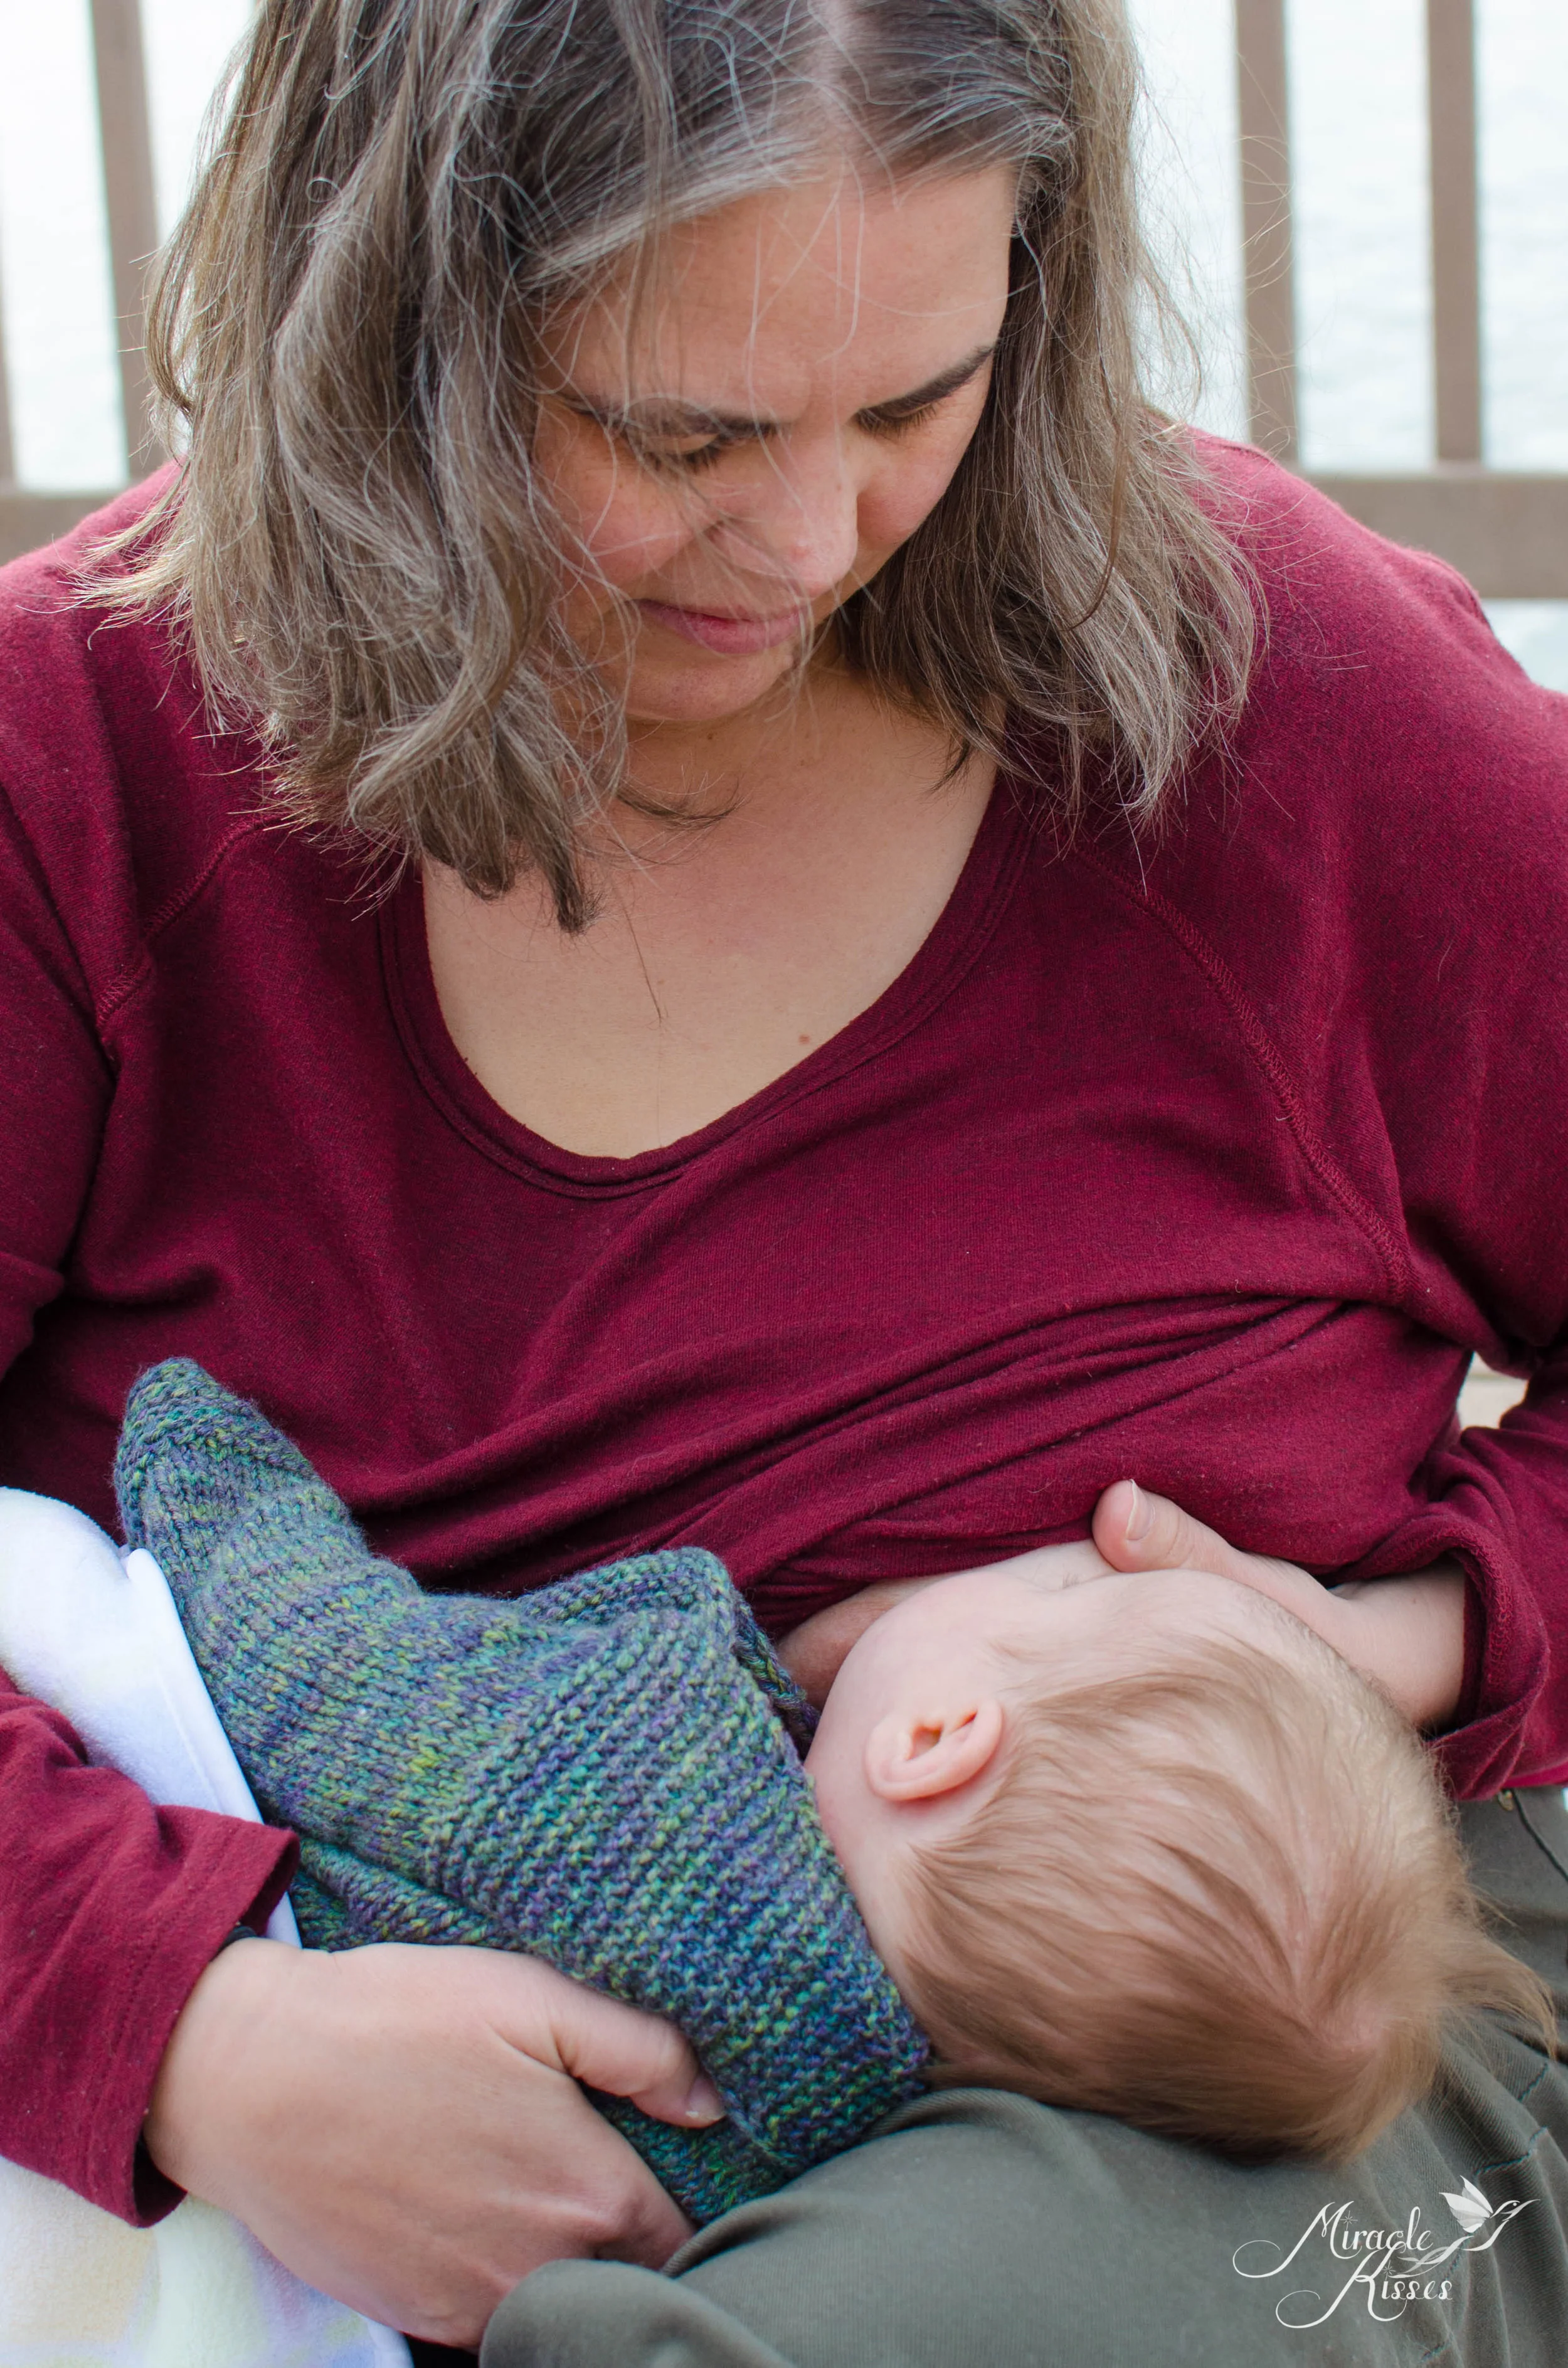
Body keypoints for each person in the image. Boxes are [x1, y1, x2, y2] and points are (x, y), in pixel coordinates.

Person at [0, 0, 1565, 2357]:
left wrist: (1396, 1642)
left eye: (919, 402)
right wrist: (185, 2027)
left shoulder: (1298, 706)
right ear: (391, 329)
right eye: (680, 431)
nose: (816, 540)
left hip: (1216, 2107)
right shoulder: (80, 774)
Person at [120, 1357, 1550, 2196]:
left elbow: (326, 1681)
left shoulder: (643, 1781)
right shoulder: (820, 2141)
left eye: (1051, 1587)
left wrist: (213, 1467)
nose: (1038, 1562)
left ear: (934, 1743)